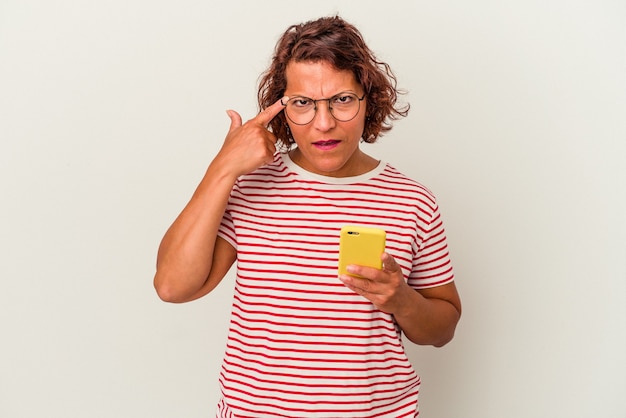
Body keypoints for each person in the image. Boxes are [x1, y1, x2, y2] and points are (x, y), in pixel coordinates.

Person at [154, 15, 461, 418]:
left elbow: (444, 327)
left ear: (368, 98)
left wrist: (402, 300)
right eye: (303, 103)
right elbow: (173, 286)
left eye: (342, 99)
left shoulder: (412, 200)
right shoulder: (250, 186)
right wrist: (223, 168)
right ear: (281, 108)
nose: (324, 122)